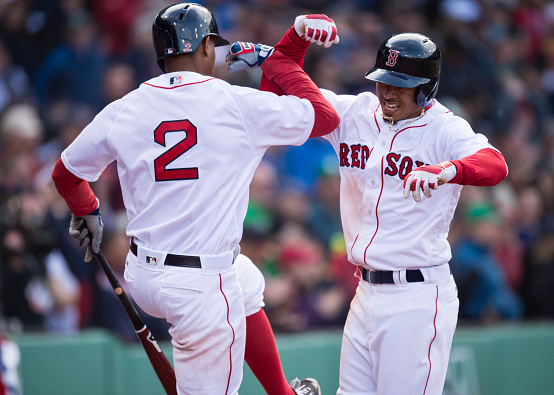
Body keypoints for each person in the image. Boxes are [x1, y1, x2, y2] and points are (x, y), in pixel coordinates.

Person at [51, 3, 339, 394]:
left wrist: (87, 211)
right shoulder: (234, 102)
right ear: (205, 46)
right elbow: (325, 117)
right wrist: (275, 55)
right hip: (198, 285)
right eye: (213, 46)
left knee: (245, 281)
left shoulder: (126, 107)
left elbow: (65, 174)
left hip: (144, 274)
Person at [227, 22, 508, 394]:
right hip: (365, 292)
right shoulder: (357, 111)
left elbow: (495, 164)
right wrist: (280, 48)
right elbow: (288, 94)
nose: (387, 91)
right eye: (382, 80)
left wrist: (448, 170)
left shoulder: (444, 129)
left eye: (400, 84)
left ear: (425, 88)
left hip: (418, 296)